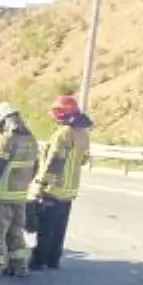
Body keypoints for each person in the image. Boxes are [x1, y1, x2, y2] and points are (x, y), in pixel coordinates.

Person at [0, 103, 40, 277]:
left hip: (1, 193)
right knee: (16, 230)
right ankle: (18, 264)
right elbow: (35, 167)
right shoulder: (31, 139)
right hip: (20, 194)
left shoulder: (6, 139)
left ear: (3, 120)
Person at [29, 94, 93, 271]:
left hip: (54, 188)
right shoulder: (84, 134)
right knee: (59, 228)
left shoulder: (63, 134)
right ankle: (53, 260)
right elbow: (84, 160)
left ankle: (39, 260)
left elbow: (55, 161)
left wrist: (41, 184)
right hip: (69, 190)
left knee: (46, 228)